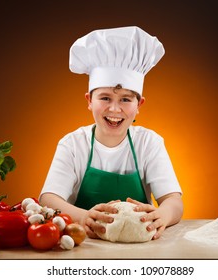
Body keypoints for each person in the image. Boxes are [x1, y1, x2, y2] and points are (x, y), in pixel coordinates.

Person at [40, 26, 183, 240]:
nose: (115, 109)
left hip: (141, 250)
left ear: (139, 104)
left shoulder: (149, 142)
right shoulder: (72, 144)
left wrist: (164, 214)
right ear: (89, 100)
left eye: (125, 99)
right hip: (84, 246)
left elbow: (174, 201)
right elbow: (48, 199)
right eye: (105, 98)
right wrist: (83, 217)